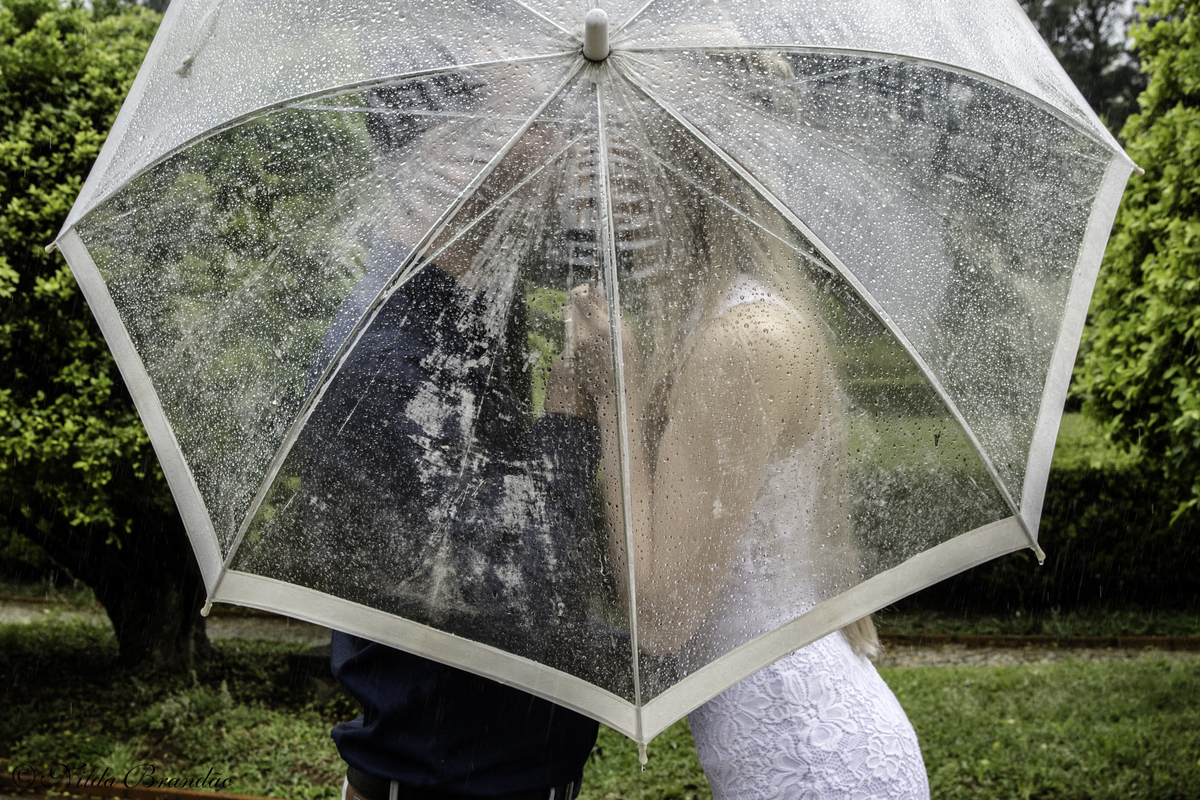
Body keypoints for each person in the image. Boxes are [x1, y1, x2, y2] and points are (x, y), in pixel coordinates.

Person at [559, 58, 930, 796]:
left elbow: (662, 619)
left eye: (623, 157)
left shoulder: (743, 339)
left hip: (812, 762)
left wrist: (618, 399)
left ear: (680, 169)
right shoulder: (711, 321)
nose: (606, 186)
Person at [288, 57, 603, 799]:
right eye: (546, 120)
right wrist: (566, 415)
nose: (572, 148)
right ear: (445, 150)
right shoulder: (387, 360)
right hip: (445, 784)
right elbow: (508, 591)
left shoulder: (471, 312)